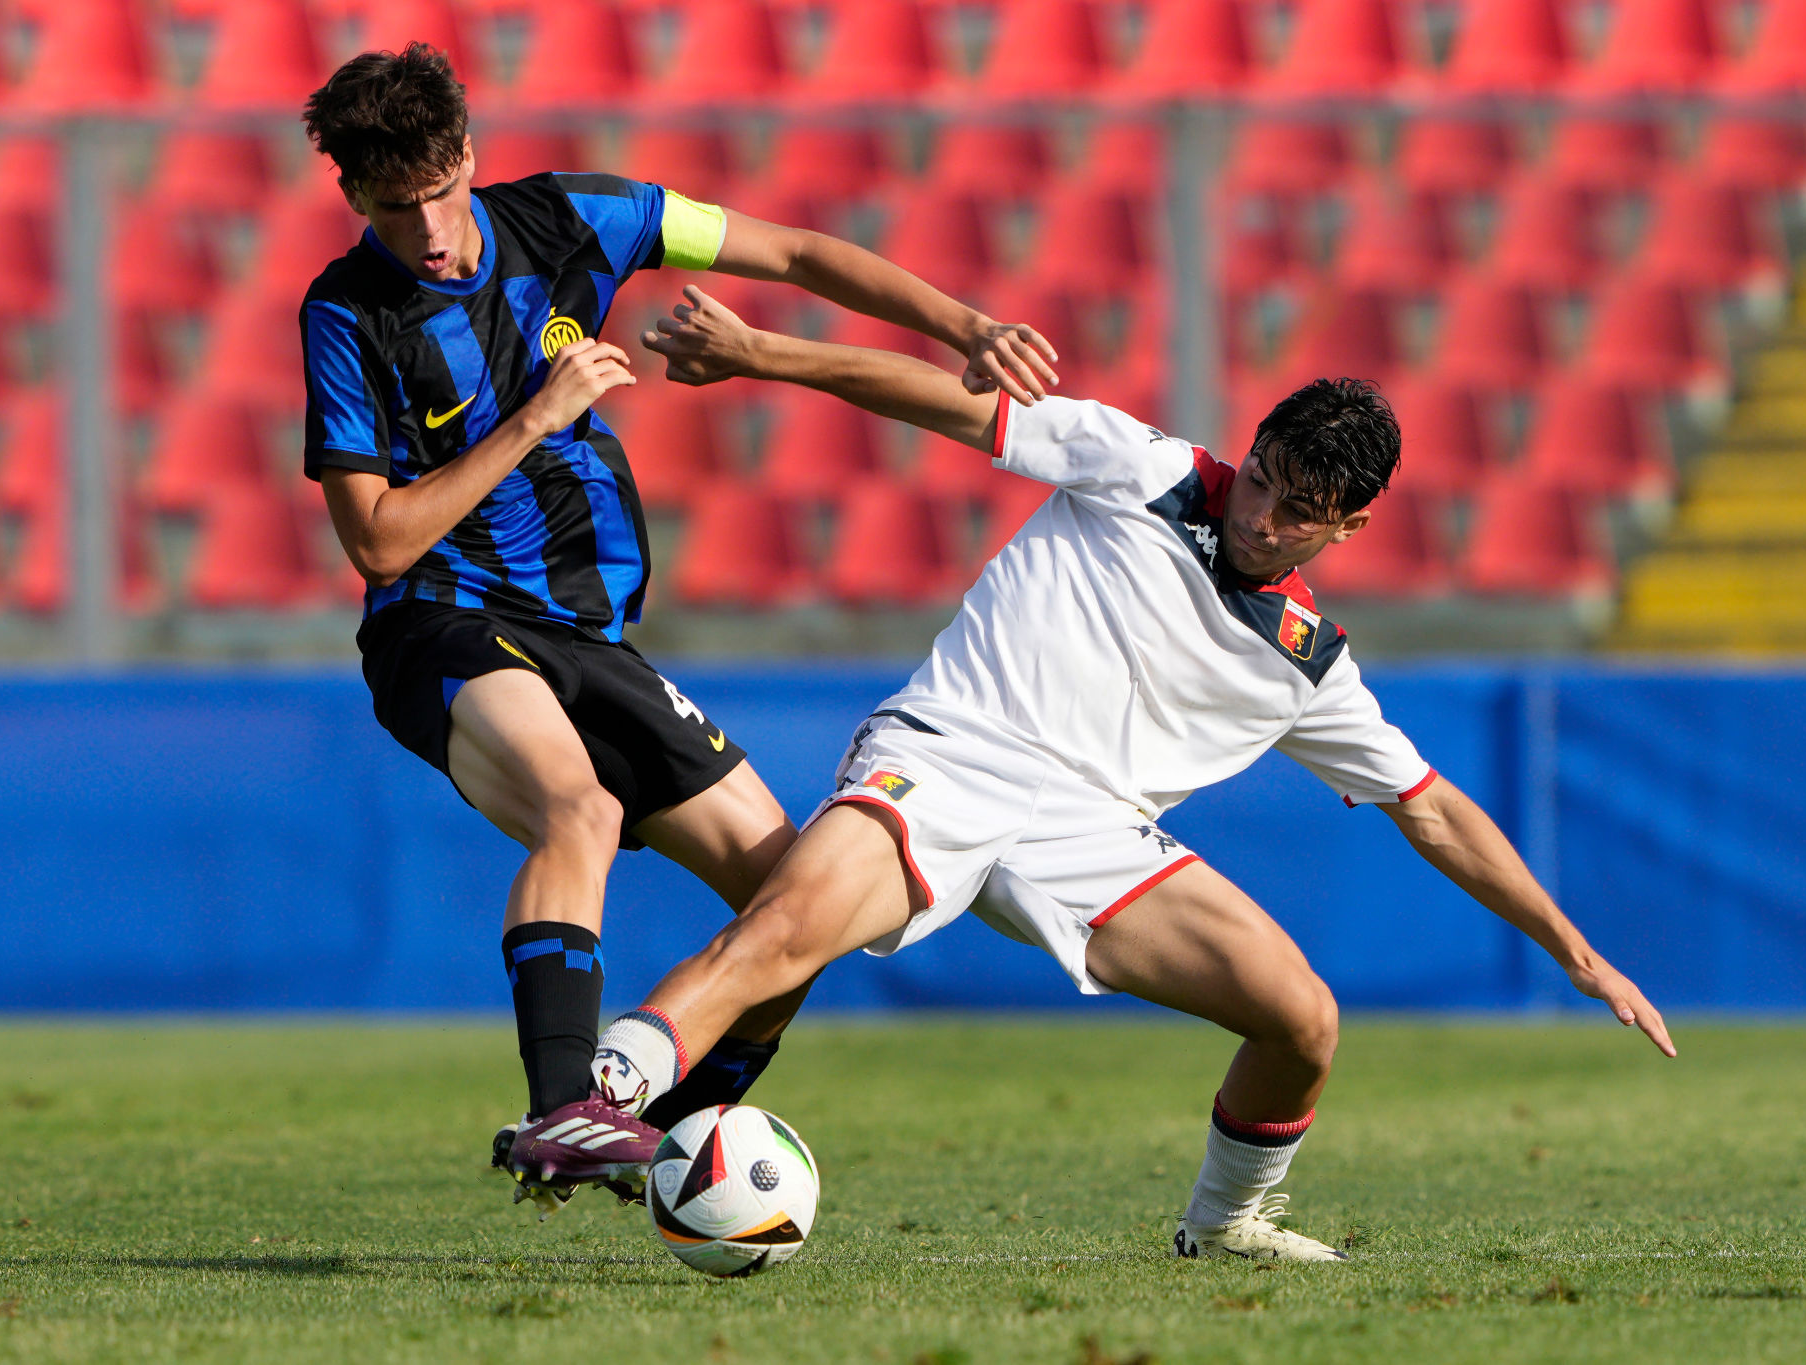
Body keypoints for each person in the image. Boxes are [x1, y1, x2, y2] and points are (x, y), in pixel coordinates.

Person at [586, 287, 1676, 1261]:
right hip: (953, 751)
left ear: (1348, 527)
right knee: (782, 930)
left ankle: (1224, 1225)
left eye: (1296, 510)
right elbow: (940, 404)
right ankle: (596, 1103)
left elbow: (1431, 811)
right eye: (1259, 479)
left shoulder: (1307, 665)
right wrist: (760, 352)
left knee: (1300, 1020)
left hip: (1093, 837)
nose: (1259, 515)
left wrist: (1574, 954)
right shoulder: (1141, 466)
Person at [296, 44, 1059, 1216]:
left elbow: (796, 253)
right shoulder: (347, 312)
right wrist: (536, 418)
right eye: (396, 209)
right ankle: (563, 1104)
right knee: (578, 804)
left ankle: (649, 1137)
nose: (431, 232)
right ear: (352, 195)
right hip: (440, 622)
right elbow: (380, 543)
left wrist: (965, 325)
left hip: (590, 636)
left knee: (796, 900)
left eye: (441, 194)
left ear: (469, 156)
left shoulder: (572, 218)